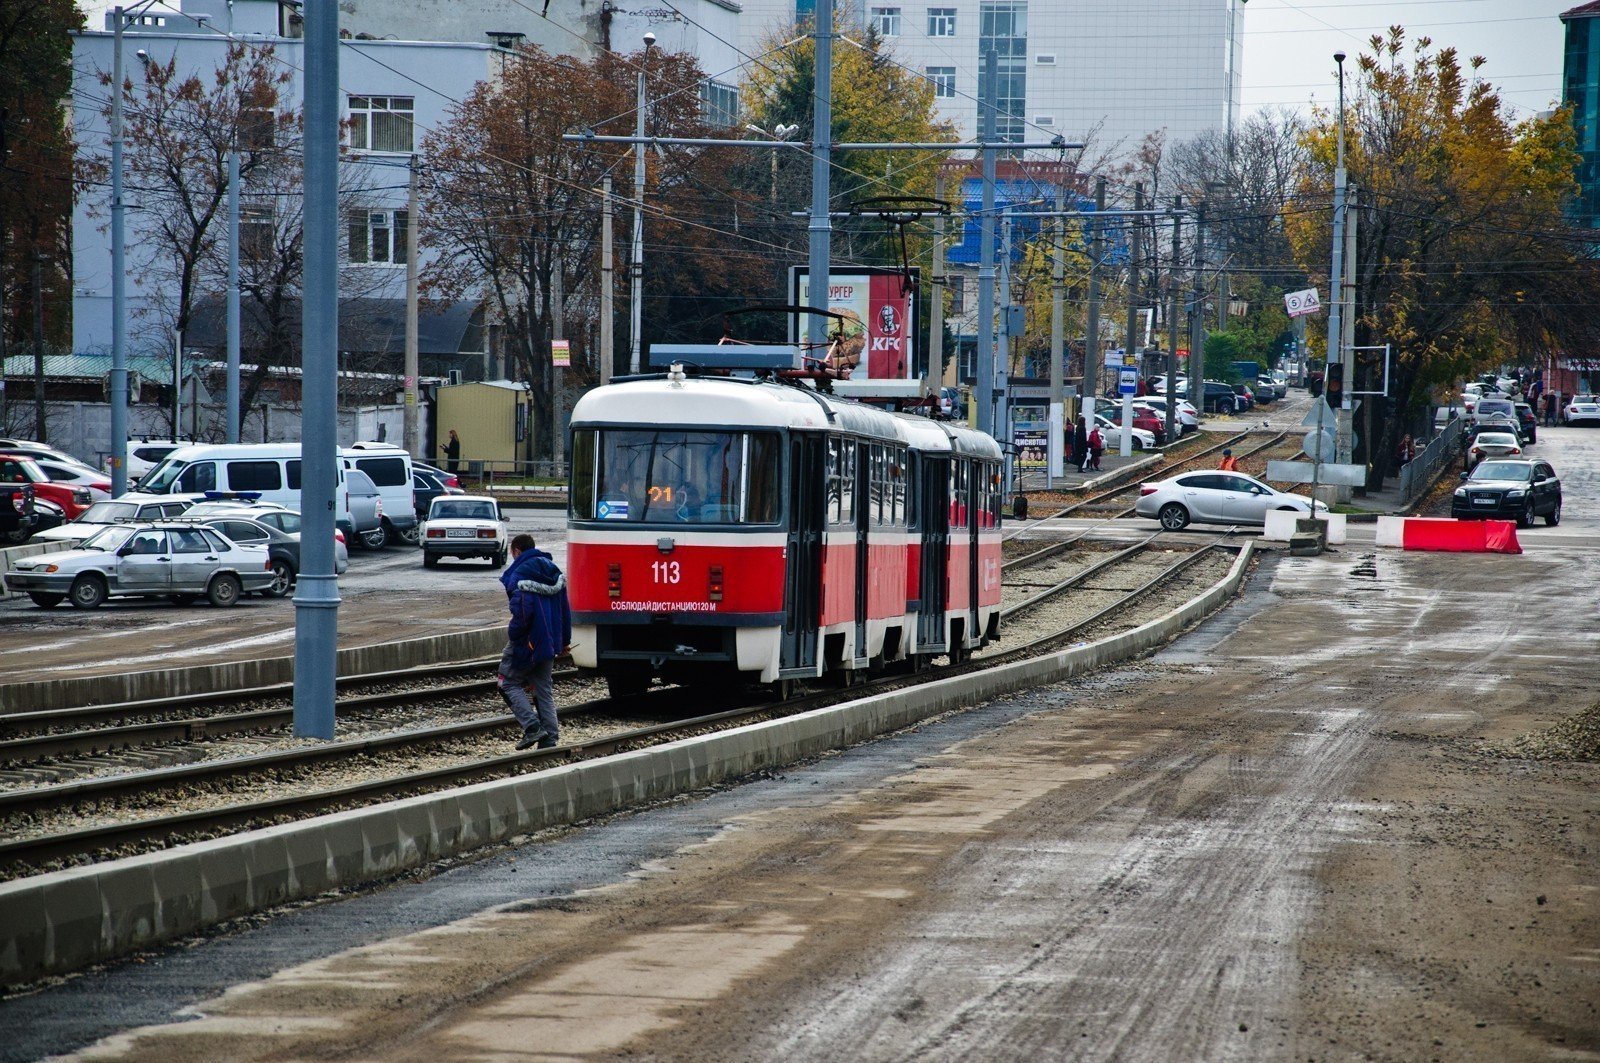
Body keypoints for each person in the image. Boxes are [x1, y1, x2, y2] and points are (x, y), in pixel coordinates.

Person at [497, 533, 571, 750]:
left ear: (517, 551)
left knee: (506, 681)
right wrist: (564, 641)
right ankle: (550, 737)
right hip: (550, 641)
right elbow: (565, 611)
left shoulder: (519, 574)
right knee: (543, 687)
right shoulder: (553, 571)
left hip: (528, 640)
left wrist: (515, 636)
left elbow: (521, 612)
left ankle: (532, 727)